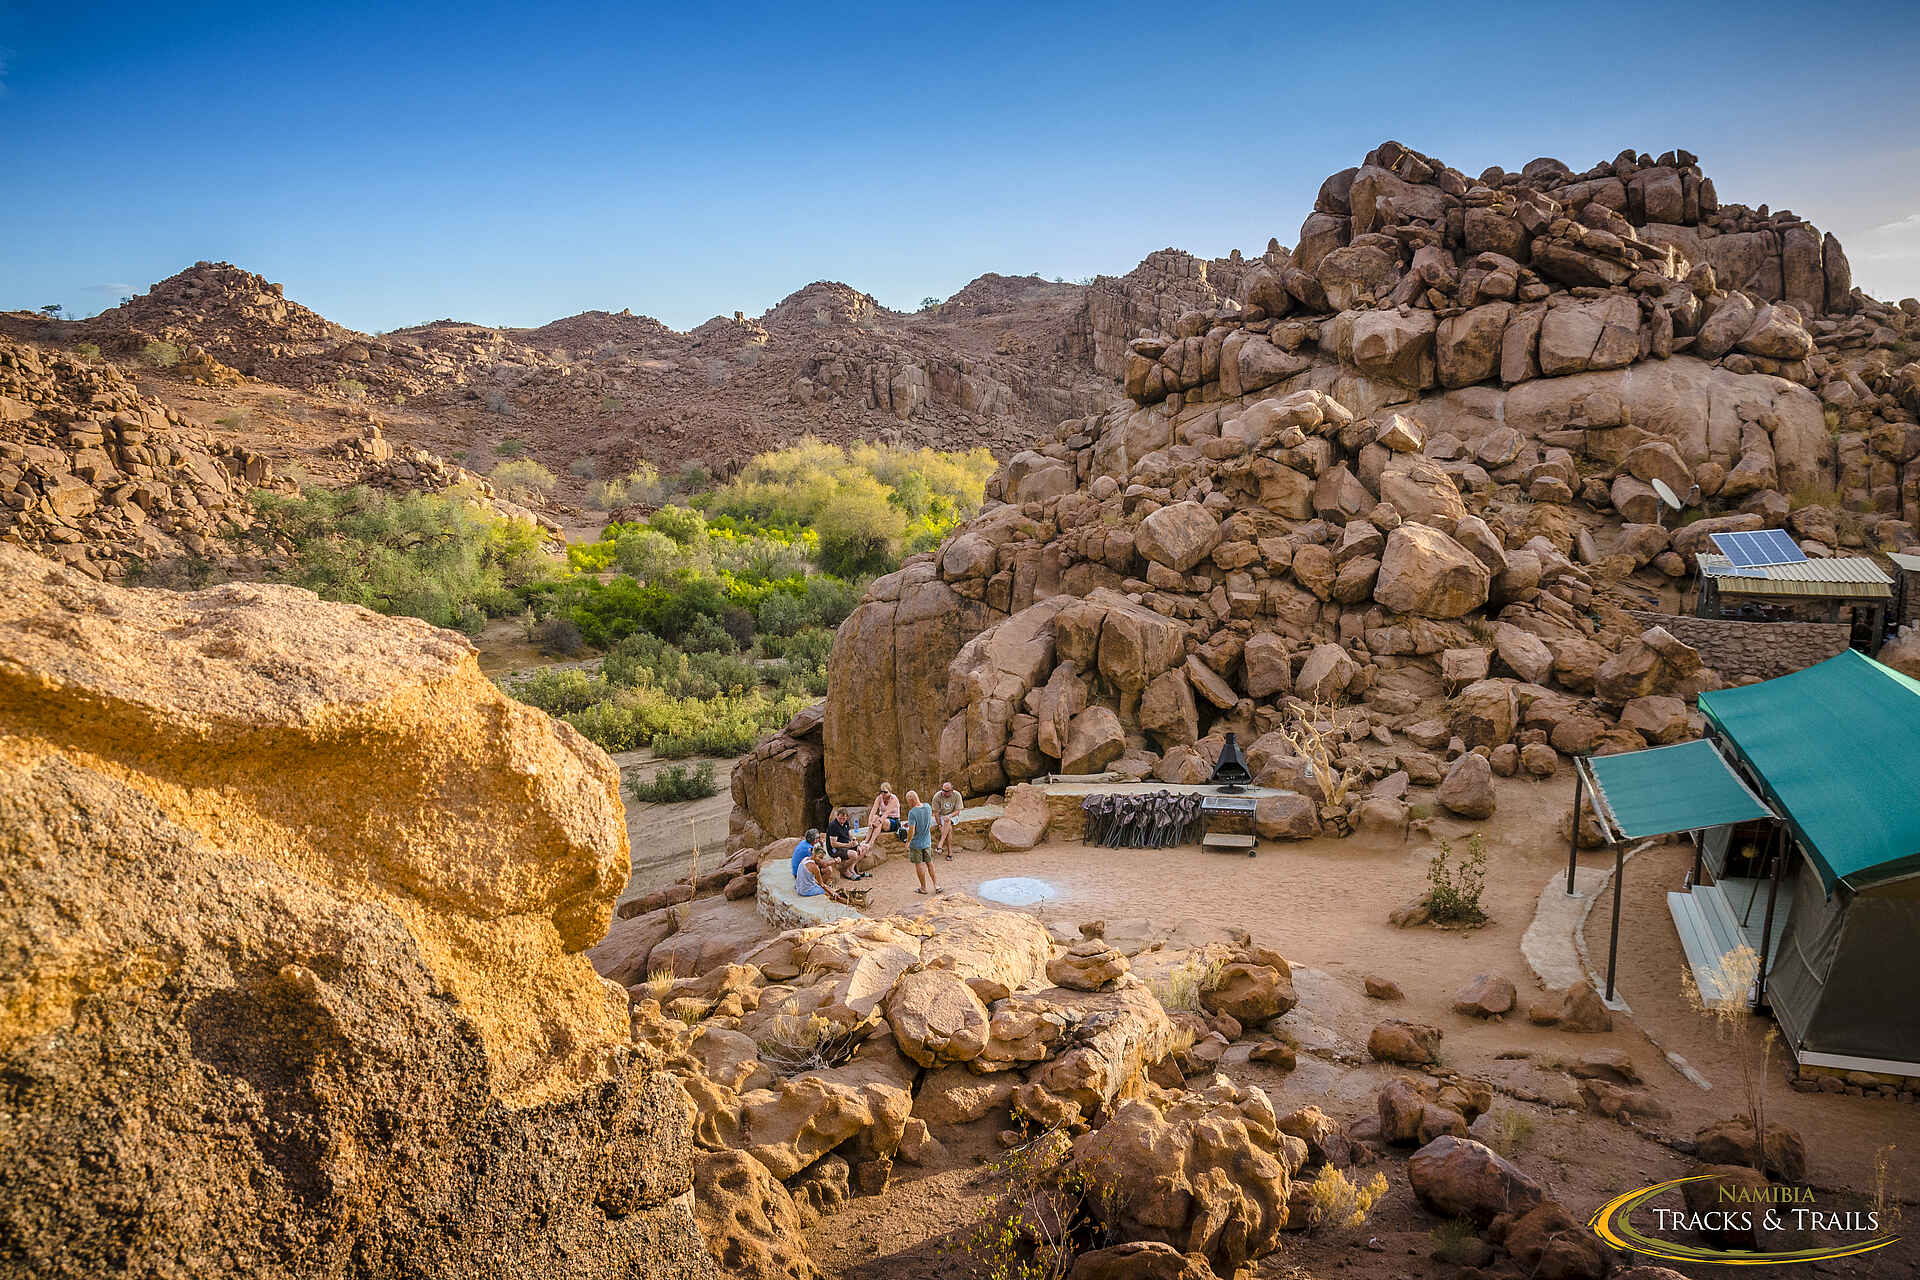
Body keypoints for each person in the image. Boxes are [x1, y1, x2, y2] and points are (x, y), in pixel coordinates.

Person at [902, 789, 939, 895]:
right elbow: (923, 822)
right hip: (927, 841)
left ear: (911, 800)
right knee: (930, 863)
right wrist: (909, 824)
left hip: (916, 843)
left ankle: (923, 888)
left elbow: (912, 830)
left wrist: (908, 841)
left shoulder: (912, 812)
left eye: (908, 801)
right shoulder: (927, 807)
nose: (908, 803)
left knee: (919, 864)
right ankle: (936, 885)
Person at [825, 807, 870, 880]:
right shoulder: (833, 826)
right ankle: (844, 870)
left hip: (845, 845)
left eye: (844, 818)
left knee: (865, 847)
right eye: (840, 818)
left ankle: (851, 868)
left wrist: (856, 844)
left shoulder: (845, 823)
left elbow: (849, 834)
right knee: (854, 854)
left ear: (846, 817)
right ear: (837, 816)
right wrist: (848, 845)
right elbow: (833, 844)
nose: (842, 820)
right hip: (834, 849)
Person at [859, 782, 902, 854]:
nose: (883, 794)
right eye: (881, 792)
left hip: (893, 820)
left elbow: (886, 813)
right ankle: (866, 840)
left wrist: (878, 822)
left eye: (885, 792)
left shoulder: (894, 799)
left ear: (890, 792)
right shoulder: (879, 798)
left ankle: (871, 843)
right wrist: (870, 822)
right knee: (875, 817)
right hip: (882, 819)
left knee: (881, 821)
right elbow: (873, 810)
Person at [933, 781, 961, 861]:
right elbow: (936, 813)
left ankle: (940, 844)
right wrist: (939, 825)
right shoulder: (937, 797)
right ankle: (950, 853)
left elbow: (957, 811)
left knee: (948, 821)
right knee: (949, 828)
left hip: (953, 815)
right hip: (942, 816)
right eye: (943, 790)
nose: (943, 792)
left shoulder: (957, 795)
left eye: (946, 791)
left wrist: (950, 816)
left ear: (951, 790)